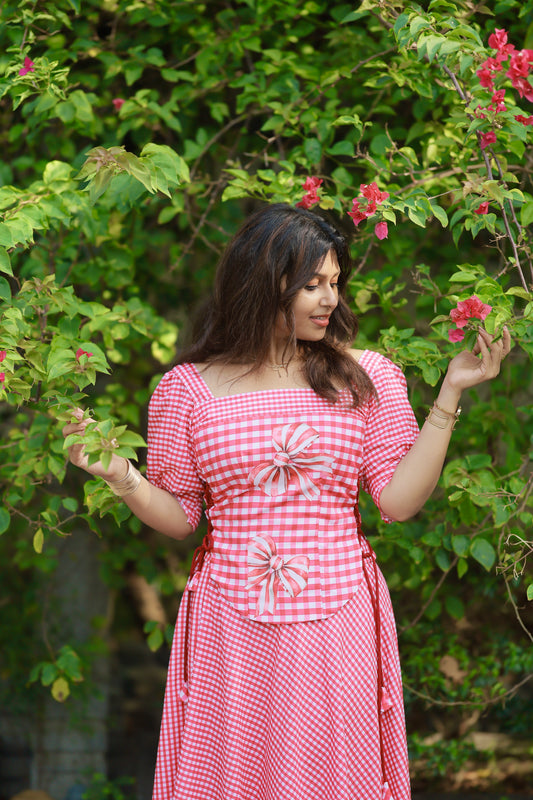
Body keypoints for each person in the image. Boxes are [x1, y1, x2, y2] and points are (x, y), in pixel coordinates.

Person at [63, 203, 511, 800]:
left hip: (338, 611)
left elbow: (399, 503)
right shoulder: (185, 389)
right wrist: (120, 475)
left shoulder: (365, 375)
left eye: (334, 283)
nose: (329, 299)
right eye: (312, 284)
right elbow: (180, 519)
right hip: (230, 616)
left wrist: (450, 392)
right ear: (263, 281)